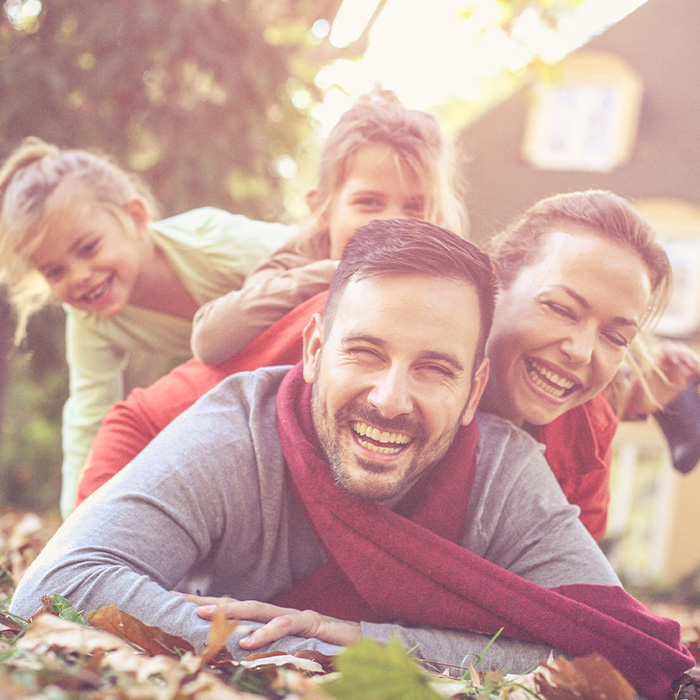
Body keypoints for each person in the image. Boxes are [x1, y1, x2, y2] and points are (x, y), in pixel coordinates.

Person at [10, 220, 694, 700]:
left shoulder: (512, 470)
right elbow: (59, 582)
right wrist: (308, 649)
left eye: (434, 368)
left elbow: (607, 657)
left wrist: (360, 642)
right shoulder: (237, 428)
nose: (391, 399)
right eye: (364, 352)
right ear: (311, 351)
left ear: (473, 390)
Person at [77, 190, 684, 543]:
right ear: (495, 286)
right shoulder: (360, 336)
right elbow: (147, 420)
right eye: (560, 308)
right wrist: (96, 536)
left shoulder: (585, 437)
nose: (581, 350)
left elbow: (558, 593)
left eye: (614, 335)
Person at [0, 138, 290, 516]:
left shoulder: (209, 239)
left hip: (313, 330)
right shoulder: (90, 321)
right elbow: (89, 421)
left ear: (135, 217)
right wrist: (75, 524)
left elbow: (313, 257)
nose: (79, 277)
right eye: (55, 271)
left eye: (88, 248)